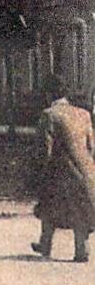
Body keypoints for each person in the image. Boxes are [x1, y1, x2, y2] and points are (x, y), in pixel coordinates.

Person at [31, 75, 95, 263]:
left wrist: (39, 171)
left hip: (62, 172)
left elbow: (45, 149)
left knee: (48, 200)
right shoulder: (83, 114)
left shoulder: (49, 115)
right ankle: (82, 249)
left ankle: (45, 244)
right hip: (88, 173)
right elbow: (91, 147)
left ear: (49, 94)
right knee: (81, 209)